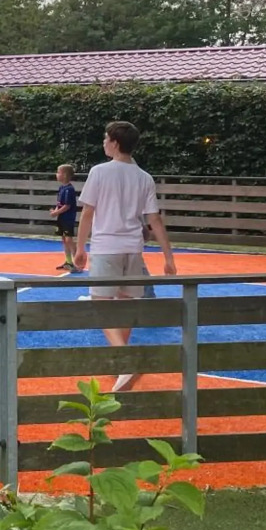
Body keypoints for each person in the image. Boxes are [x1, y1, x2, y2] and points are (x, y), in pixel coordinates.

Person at [72, 120, 177, 392]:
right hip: (134, 249)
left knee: (101, 304)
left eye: (106, 138)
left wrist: (80, 248)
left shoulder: (99, 172)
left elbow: (87, 213)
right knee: (126, 305)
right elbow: (154, 220)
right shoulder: (144, 177)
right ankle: (122, 363)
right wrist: (168, 257)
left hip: (107, 246)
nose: (103, 143)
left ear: (115, 142)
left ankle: (126, 360)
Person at [50, 163, 79, 272]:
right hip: (61, 218)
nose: (56, 174)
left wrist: (56, 213)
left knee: (69, 239)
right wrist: (56, 211)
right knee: (63, 239)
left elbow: (67, 206)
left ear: (65, 175)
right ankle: (68, 262)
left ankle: (77, 263)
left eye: (58, 172)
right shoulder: (62, 188)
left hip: (68, 218)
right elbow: (60, 203)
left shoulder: (69, 189)